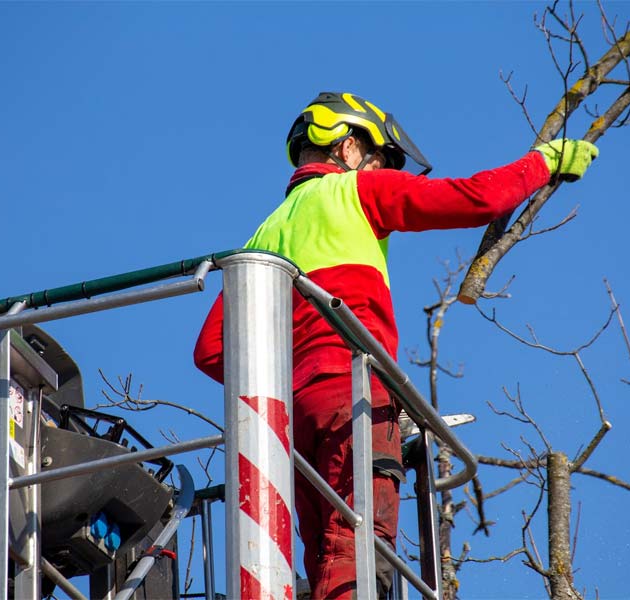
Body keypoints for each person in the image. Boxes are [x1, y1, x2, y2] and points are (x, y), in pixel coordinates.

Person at [193, 91, 598, 599]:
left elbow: (211, 350)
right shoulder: (356, 189)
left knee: (324, 552)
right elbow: (479, 199)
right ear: (347, 147)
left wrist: (292, 380)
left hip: (289, 421)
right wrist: (544, 162)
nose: (381, 169)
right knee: (358, 548)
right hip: (354, 393)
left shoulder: (263, 236)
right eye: (378, 158)